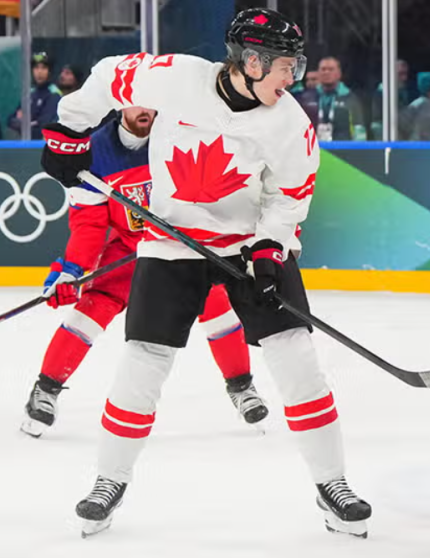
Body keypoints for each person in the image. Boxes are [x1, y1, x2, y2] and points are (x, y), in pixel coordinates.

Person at [39, 8, 371, 537]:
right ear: (253, 62)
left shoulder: (291, 124)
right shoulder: (175, 78)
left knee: (297, 358)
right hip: (172, 242)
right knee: (142, 361)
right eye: (287, 66)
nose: (295, 77)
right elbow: (106, 78)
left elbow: (289, 201)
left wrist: (268, 250)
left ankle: (334, 485)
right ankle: (109, 479)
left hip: (247, 248)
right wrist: (68, 131)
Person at [22, 107, 268, 439]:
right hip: (129, 249)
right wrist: (72, 270)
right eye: (137, 103)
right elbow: (90, 224)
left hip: (179, 246)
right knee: (92, 309)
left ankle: (241, 387)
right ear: (121, 104)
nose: (146, 111)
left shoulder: (182, 135)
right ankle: (45, 390)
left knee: (215, 304)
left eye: (153, 102)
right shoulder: (95, 152)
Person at [293, 56, 367, 141]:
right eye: (323, 69)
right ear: (318, 73)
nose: (326, 72)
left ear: (339, 73)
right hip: (312, 149)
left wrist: (359, 150)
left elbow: (359, 129)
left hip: (342, 150)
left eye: (331, 69)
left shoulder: (350, 98)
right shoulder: (306, 97)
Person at [6, 52, 62, 139]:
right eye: (36, 68)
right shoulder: (30, 93)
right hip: (25, 144)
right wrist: (29, 122)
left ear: (49, 71)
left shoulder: (54, 94)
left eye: (43, 68)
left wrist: (23, 122)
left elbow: (44, 126)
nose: (39, 72)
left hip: (42, 145)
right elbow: (10, 121)